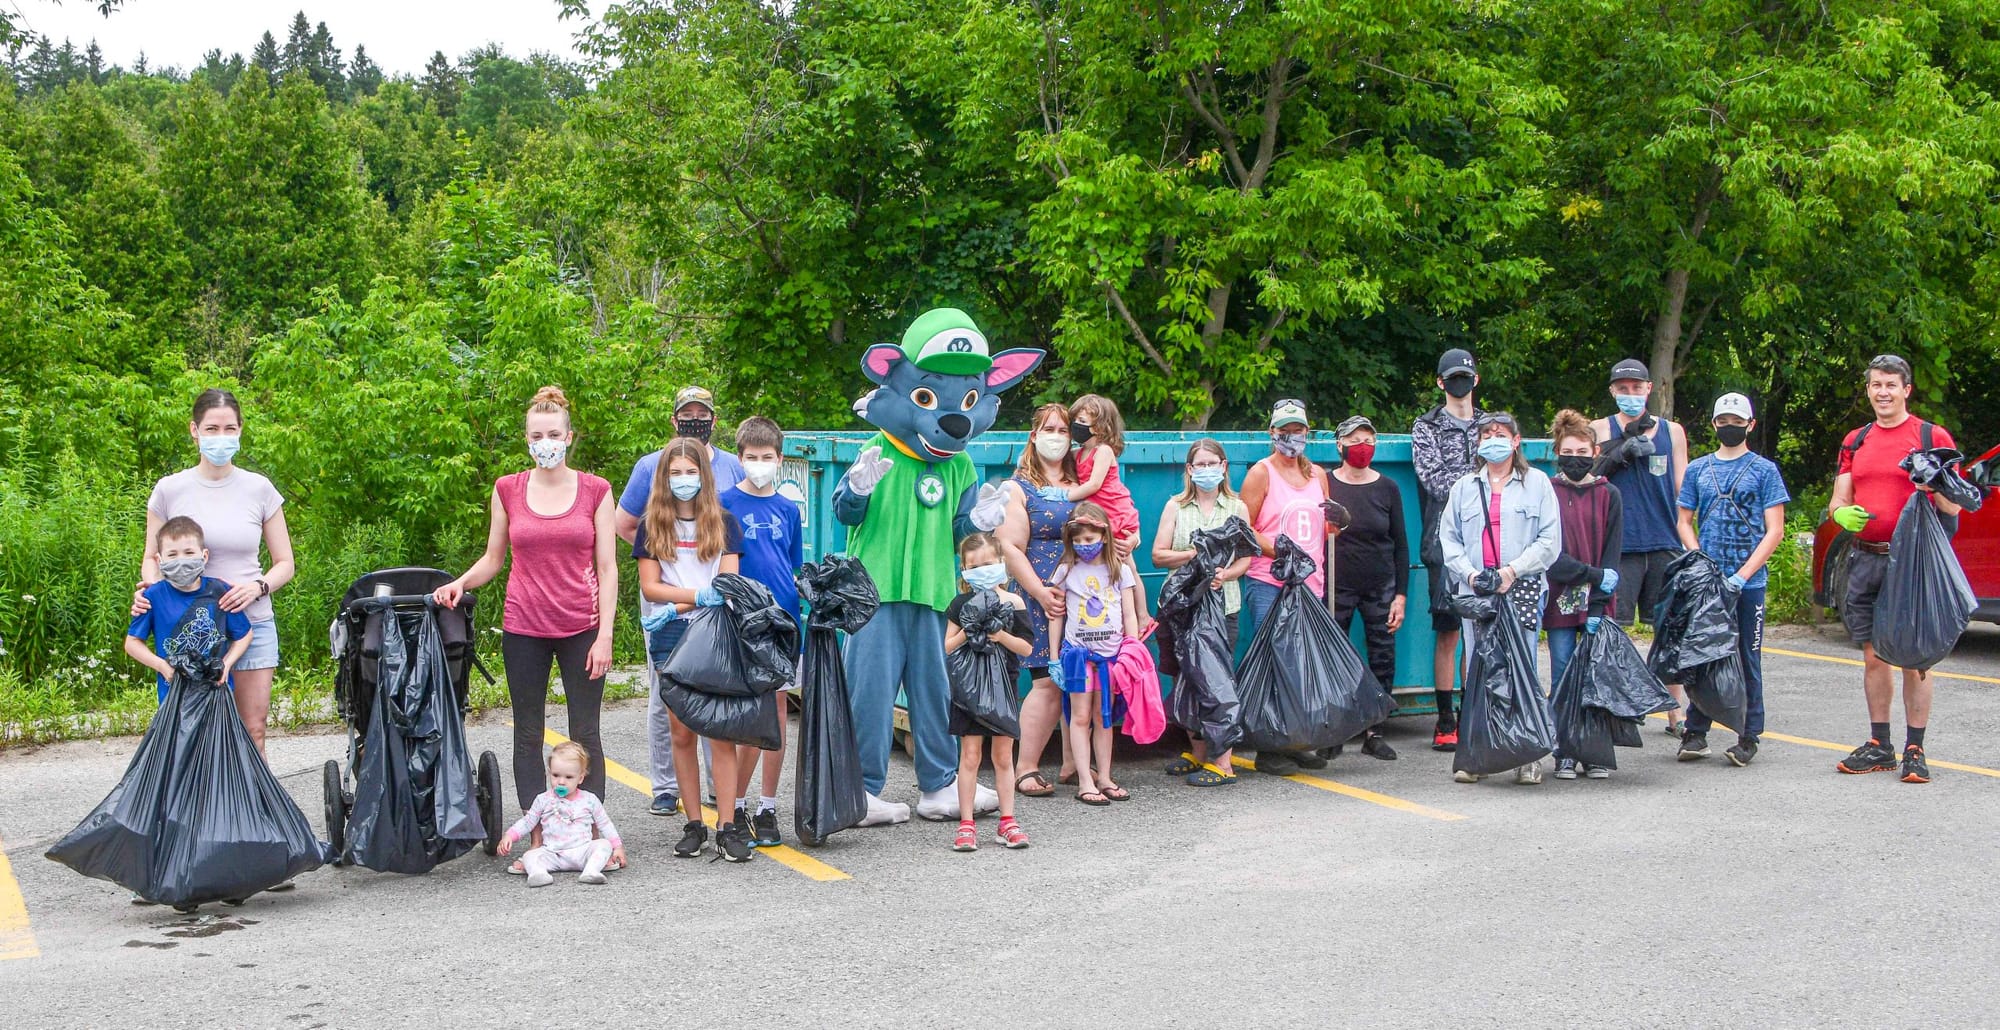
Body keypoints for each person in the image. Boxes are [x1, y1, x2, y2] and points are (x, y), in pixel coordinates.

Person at [435, 386, 618, 845]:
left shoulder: (596, 491)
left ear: (569, 436)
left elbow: (608, 567)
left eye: (554, 433)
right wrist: (461, 582)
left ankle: (591, 831)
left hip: (582, 626)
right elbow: (494, 558)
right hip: (524, 628)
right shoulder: (508, 489)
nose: (546, 442)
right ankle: (538, 835)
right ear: (527, 440)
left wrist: (605, 636)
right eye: (537, 435)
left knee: (586, 732)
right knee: (528, 732)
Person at [136, 388, 296, 755]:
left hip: (248, 622)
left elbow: (285, 563)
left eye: (229, 429)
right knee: (192, 734)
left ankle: (251, 811)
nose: (220, 437)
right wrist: (154, 594)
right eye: (211, 429)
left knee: (251, 730)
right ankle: (198, 811)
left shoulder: (259, 489)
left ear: (240, 430)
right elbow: (151, 558)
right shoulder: (169, 490)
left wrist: (258, 587)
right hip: (190, 631)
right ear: (194, 430)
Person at [1830, 354, 1962, 784]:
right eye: (1875, 385)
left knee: (1915, 658)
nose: (1882, 392)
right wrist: (1841, 516)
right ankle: (1880, 745)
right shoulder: (1856, 439)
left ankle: (1915, 748)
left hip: (1913, 561)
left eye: (1891, 384)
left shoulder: (1929, 434)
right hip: (1866, 556)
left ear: (1906, 389)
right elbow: (1838, 501)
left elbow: (1955, 505)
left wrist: (1933, 485)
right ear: (1867, 390)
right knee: (1873, 657)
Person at [614, 386, 743, 817]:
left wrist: (691, 597)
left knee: (716, 713)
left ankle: (717, 798)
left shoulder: (730, 473)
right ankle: (666, 788)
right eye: (686, 413)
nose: (694, 419)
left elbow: (726, 575)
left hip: (710, 619)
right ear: (673, 419)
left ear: (713, 418)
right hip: (667, 615)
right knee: (666, 707)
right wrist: (662, 551)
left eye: (701, 414)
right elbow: (625, 524)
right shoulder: (650, 467)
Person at [633, 439, 751, 860]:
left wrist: (684, 602)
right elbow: (650, 586)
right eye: (675, 472)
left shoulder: (725, 523)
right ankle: (694, 824)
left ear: (705, 474)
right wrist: (691, 599)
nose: (684, 480)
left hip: (714, 633)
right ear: (664, 477)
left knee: (719, 732)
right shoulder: (651, 526)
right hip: (669, 637)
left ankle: (728, 826)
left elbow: (725, 586)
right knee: (681, 732)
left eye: (691, 471)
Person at [1438, 412, 1561, 786]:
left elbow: (1549, 541)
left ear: (1516, 440)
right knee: (1478, 670)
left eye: (1501, 433)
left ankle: (1529, 755)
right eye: (1487, 433)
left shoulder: (1538, 483)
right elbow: (1449, 539)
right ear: (1478, 444)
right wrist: (1471, 574)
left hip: (1519, 590)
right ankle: (1477, 753)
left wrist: (1513, 571)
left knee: (1520, 668)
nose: (1494, 438)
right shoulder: (1463, 487)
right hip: (1478, 593)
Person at [1676, 392, 1789, 769]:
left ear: (1750, 425)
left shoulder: (1765, 470)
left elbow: (1775, 530)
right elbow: (1684, 521)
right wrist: (1701, 559)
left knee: (1746, 657)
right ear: (1713, 425)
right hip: (1708, 583)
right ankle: (1696, 731)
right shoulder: (1697, 470)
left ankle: (1748, 734)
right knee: (1701, 653)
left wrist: (1742, 575)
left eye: (1737, 422)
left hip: (1748, 584)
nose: (1729, 427)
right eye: (1723, 421)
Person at [1591, 358, 1691, 735]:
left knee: (1670, 630)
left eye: (1637, 388)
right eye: (1623, 388)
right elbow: (1585, 475)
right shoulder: (1599, 428)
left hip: (1664, 541)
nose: (1630, 394)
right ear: (1613, 391)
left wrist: (1690, 537)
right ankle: (1617, 706)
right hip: (1620, 544)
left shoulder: (1672, 431)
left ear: (1650, 389)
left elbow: (1684, 489)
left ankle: (1675, 712)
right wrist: (1619, 452)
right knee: (1614, 630)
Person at [718, 416, 803, 847]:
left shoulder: (789, 508)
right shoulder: (724, 503)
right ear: (739, 458)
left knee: (776, 716)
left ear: (779, 459)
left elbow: (791, 563)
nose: (759, 464)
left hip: (783, 623)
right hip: (741, 623)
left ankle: (768, 805)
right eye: (751, 457)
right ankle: (734, 804)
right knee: (743, 717)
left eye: (766, 458)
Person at [1151, 438, 1254, 785]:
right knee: (1186, 678)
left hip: (1223, 607)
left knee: (1216, 681)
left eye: (1214, 463)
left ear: (1223, 467)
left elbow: (1246, 556)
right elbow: (1158, 554)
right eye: (1200, 465)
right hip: (1183, 610)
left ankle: (1223, 762)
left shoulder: (1236, 508)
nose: (1207, 470)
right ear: (1190, 470)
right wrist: (1195, 557)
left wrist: (1225, 573)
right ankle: (1196, 752)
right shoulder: (1175, 507)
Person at [1239, 398, 1331, 776]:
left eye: (1298, 430)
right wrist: (1279, 548)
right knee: (1273, 663)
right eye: (1285, 430)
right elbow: (1244, 529)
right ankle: (1270, 746)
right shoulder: (1261, 474)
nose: (1292, 437)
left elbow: (1327, 528)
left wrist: (1342, 520)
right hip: (1270, 580)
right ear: (1272, 432)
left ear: (1308, 433)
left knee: (1304, 664)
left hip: (1310, 583)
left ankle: (1297, 740)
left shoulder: (1318, 476)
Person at [998, 404, 1080, 798]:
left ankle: (1072, 763)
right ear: (1034, 435)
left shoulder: (1082, 480)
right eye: (1049, 429)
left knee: (1081, 680)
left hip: (1084, 596)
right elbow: (1011, 548)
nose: (1057, 436)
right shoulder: (1018, 487)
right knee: (1047, 680)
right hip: (1041, 593)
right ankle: (1025, 768)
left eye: (1063, 430)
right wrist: (1038, 593)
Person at [1543, 410, 1624, 780]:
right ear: (1557, 451)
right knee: (1562, 672)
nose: (1575, 457)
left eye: (1582, 450)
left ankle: (1593, 751)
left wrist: (1598, 601)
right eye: (1567, 450)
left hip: (1596, 601)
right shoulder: (1547, 492)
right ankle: (1564, 750)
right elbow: (1551, 558)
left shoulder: (1610, 494)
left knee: (1595, 677)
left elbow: (1611, 554)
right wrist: (1592, 575)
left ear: (1595, 451)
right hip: (1559, 598)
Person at [1411, 349, 1484, 751]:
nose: (1459, 383)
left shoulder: (1492, 426)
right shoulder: (1426, 427)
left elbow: (1507, 473)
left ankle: (1475, 709)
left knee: (1480, 630)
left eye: (1465, 376)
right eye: (1451, 377)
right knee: (1449, 631)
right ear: (1441, 382)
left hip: (1490, 542)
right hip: (1443, 543)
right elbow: (1434, 480)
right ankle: (1445, 718)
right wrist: (1479, 480)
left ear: (1476, 379)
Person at [944, 533, 1035, 851]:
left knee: (1002, 756)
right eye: (974, 566)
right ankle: (966, 824)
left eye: (988, 564)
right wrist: (970, 631)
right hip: (969, 691)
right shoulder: (959, 604)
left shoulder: (1015, 603)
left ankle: (1007, 821)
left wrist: (999, 635)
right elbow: (948, 645)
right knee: (969, 756)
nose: (981, 569)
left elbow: (1025, 647)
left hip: (1004, 689)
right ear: (965, 571)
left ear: (1000, 564)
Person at [1323, 415, 1406, 761]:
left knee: (1381, 657)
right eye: (1355, 440)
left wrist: (1400, 595)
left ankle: (1375, 729)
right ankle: (1335, 729)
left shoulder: (1387, 487)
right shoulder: (1325, 484)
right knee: (1333, 658)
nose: (1363, 447)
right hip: (1335, 586)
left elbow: (1401, 544)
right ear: (1339, 444)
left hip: (1380, 585)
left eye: (1369, 440)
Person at [1051, 503, 1140, 806]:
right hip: (1078, 656)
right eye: (1077, 541)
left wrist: (1132, 647)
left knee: (1104, 718)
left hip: (1111, 658)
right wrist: (1054, 656)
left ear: (1104, 535)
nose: (1083, 546)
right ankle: (1085, 780)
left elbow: (1129, 613)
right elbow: (1056, 616)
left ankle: (1104, 776)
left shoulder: (1119, 569)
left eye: (1089, 540)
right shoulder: (1066, 570)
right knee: (1079, 716)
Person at [125, 517, 254, 705]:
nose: (181, 560)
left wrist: (226, 664)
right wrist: (162, 666)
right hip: (174, 698)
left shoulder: (219, 591)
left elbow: (244, 634)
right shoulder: (153, 596)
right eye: (172, 554)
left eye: (189, 552)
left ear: (204, 556)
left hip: (216, 695)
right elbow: (132, 643)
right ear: (160, 560)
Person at [1058, 394, 1148, 621]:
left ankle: (1142, 615)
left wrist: (1063, 495)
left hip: (1114, 512)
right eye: (1074, 420)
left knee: (1126, 565)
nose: (1076, 426)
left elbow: (1094, 484)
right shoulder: (1079, 453)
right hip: (1099, 515)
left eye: (1081, 420)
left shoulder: (1104, 451)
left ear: (1099, 426)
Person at [496, 742, 625, 887]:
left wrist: (617, 847)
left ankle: (591, 871)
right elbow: (528, 821)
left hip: (582, 851)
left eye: (569, 777)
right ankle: (538, 874)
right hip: (552, 853)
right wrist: (509, 836)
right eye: (556, 775)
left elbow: (605, 824)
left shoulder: (589, 800)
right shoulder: (543, 799)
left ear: (580, 778)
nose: (561, 782)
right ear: (549, 772)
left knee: (603, 845)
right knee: (530, 856)